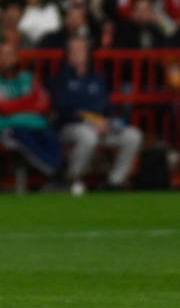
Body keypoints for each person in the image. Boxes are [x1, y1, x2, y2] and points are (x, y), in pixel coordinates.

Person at [51, 35, 143, 194]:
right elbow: (63, 110)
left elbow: (107, 107)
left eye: (80, 49)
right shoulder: (60, 79)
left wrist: (108, 122)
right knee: (88, 136)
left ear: (87, 53)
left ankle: (115, 181)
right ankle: (72, 178)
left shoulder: (97, 78)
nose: (76, 53)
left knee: (133, 135)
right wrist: (92, 121)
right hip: (71, 127)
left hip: (101, 126)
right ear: (67, 54)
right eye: (72, 50)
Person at [0, 40, 62, 184]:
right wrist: (28, 102)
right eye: (1, 55)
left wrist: (13, 107)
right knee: (22, 137)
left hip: (34, 124)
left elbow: (43, 104)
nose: (6, 59)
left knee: (52, 137)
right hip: (6, 128)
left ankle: (56, 173)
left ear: (16, 58)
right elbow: (0, 107)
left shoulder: (28, 78)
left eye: (9, 55)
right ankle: (56, 173)